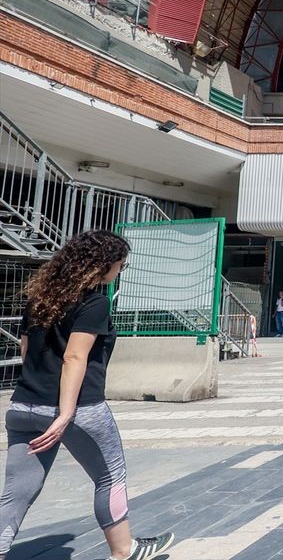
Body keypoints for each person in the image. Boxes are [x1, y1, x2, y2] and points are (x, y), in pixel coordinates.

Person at [0, 230, 175, 560]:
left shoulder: (40, 297)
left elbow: (25, 349)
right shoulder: (94, 302)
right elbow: (75, 357)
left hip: (24, 405)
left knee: (17, 493)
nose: (119, 272)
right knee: (110, 477)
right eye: (120, 266)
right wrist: (65, 413)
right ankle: (125, 551)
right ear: (102, 266)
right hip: (80, 409)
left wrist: (40, 389)